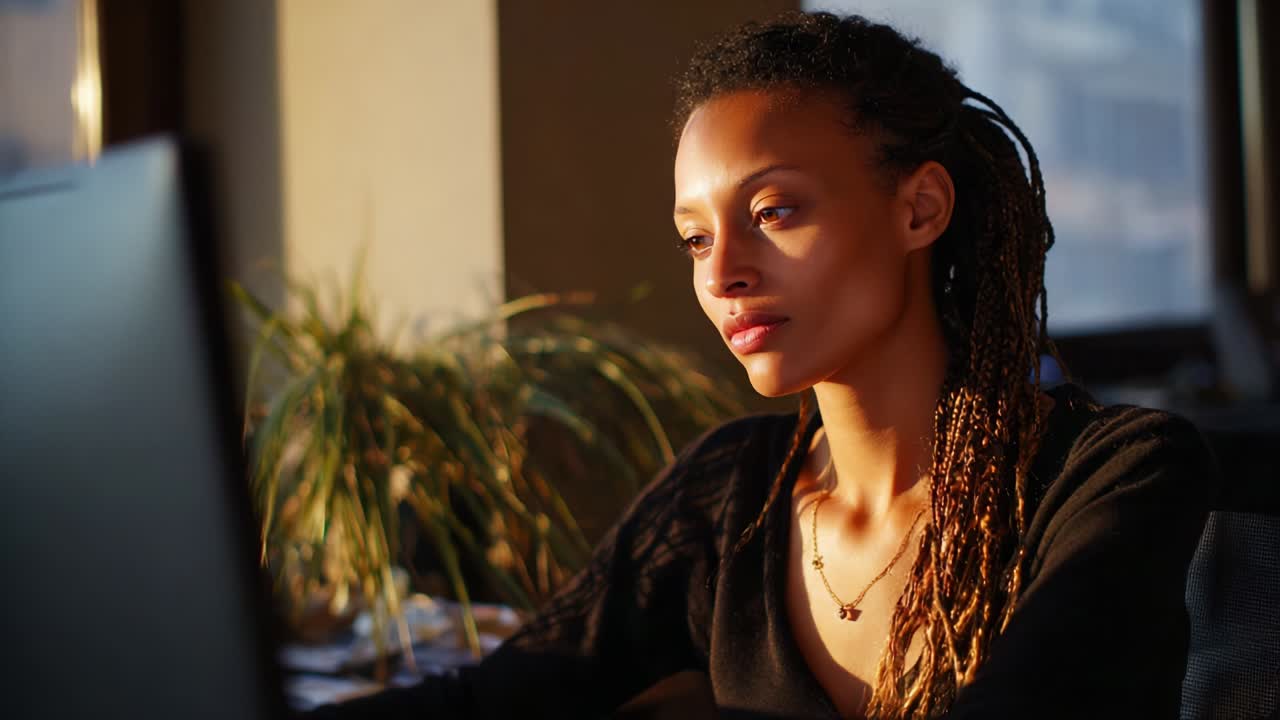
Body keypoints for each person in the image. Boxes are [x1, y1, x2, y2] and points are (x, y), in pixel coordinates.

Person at [306, 10, 1218, 719]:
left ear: (920, 208)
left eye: (775, 212)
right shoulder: (727, 495)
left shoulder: (1113, 475)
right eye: (695, 239)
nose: (723, 272)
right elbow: (496, 703)